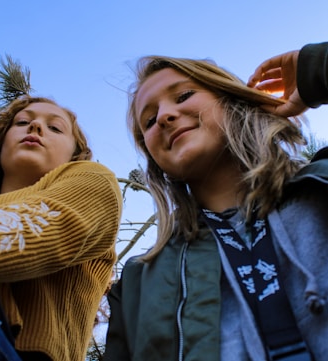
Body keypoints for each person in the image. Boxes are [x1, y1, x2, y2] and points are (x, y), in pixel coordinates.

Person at [104, 42, 328, 361]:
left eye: (183, 96)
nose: (165, 116)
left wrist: (317, 69)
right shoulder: (138, 285)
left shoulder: (323, 183)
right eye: (149, 121)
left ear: (231, 101)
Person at [0, 96, 122, 361]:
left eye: (55, 128)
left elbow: (23, 235)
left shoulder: (93, 181)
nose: (35, 126)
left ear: (74, 154)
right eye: (22, 121)